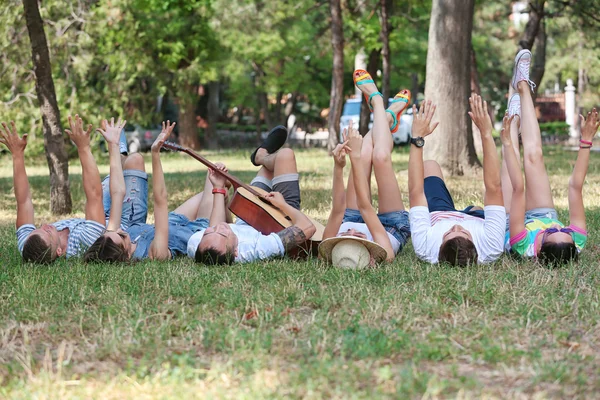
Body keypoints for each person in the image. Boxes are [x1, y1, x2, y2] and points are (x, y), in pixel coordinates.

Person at [501, 49, 598, 265]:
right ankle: (523, 86)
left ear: (539, 248)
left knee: (512, 156)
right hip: (541, 213)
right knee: (535, 157)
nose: (556, 227)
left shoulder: (523, 245)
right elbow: (575, 187)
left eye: (551, 232)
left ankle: (514, 118)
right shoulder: (576, 239)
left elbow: (519, 189)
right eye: (563, 229)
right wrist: (586, 140)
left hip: (511, 223)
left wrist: (508, 143)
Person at [84, 120, 220, 262]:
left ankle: (224, 213)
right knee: (216, 179)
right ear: (127, 254)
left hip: (174, 219)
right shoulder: (155, 253)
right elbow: (160, 200)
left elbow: (118, 192)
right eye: (121, 236)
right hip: (196, 230)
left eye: (111, 231)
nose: (119, 229)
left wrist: (113, 145)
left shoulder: (115, 239)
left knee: (216, 187)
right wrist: (155, 153)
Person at [0, 115, 129, 263]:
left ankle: (118, 147)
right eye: (47, 232)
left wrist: (17, 155)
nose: (45, 225)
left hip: (99, 216)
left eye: (39, 228)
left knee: (121, 171)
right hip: (120, 220)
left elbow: (23, 201)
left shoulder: (28, 245)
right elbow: (94, 195)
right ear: (60, 251)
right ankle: (120, 149)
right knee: (134, 163)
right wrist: (83, 148)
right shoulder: (85, 242)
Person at [319, 70, 412, 269]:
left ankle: (386, 118)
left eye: (344, 236)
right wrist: (355, 157)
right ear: (368, 255)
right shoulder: (384, 254)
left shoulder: (330, 240)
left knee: (367, 152)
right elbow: (365, 208)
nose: (352, 231)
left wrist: (338, 166)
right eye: (357, 239)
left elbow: (337, 210)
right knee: (380, 157)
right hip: (390, 227)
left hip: (352, 212)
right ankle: (379, 106)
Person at [188, 128, 316, 264]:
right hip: (279, 221)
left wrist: (219, 188)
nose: (218, 227)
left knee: (277, 162)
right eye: (223, 233)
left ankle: (262, 157)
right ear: (236, 252)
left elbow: (218, 226)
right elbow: (307, 227)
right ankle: (261, 156)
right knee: (285, 155)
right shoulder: (256, 250)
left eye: (208, 232)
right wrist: (282, 204)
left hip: (249, 214)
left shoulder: (196, 245)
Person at [408, 95, 506, 266]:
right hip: (478, 220)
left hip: (440, 214)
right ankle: (473, 210)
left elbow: (416, 192)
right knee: (487, 206)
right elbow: (494, 188)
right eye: (463, 232)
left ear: (439, 248)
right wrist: (486, 133)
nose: (455, 226)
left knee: (430, 165)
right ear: (476, 245)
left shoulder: (425, 248)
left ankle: (469, 210)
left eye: (448, 233)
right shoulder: (491, 246)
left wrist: (417, 138)